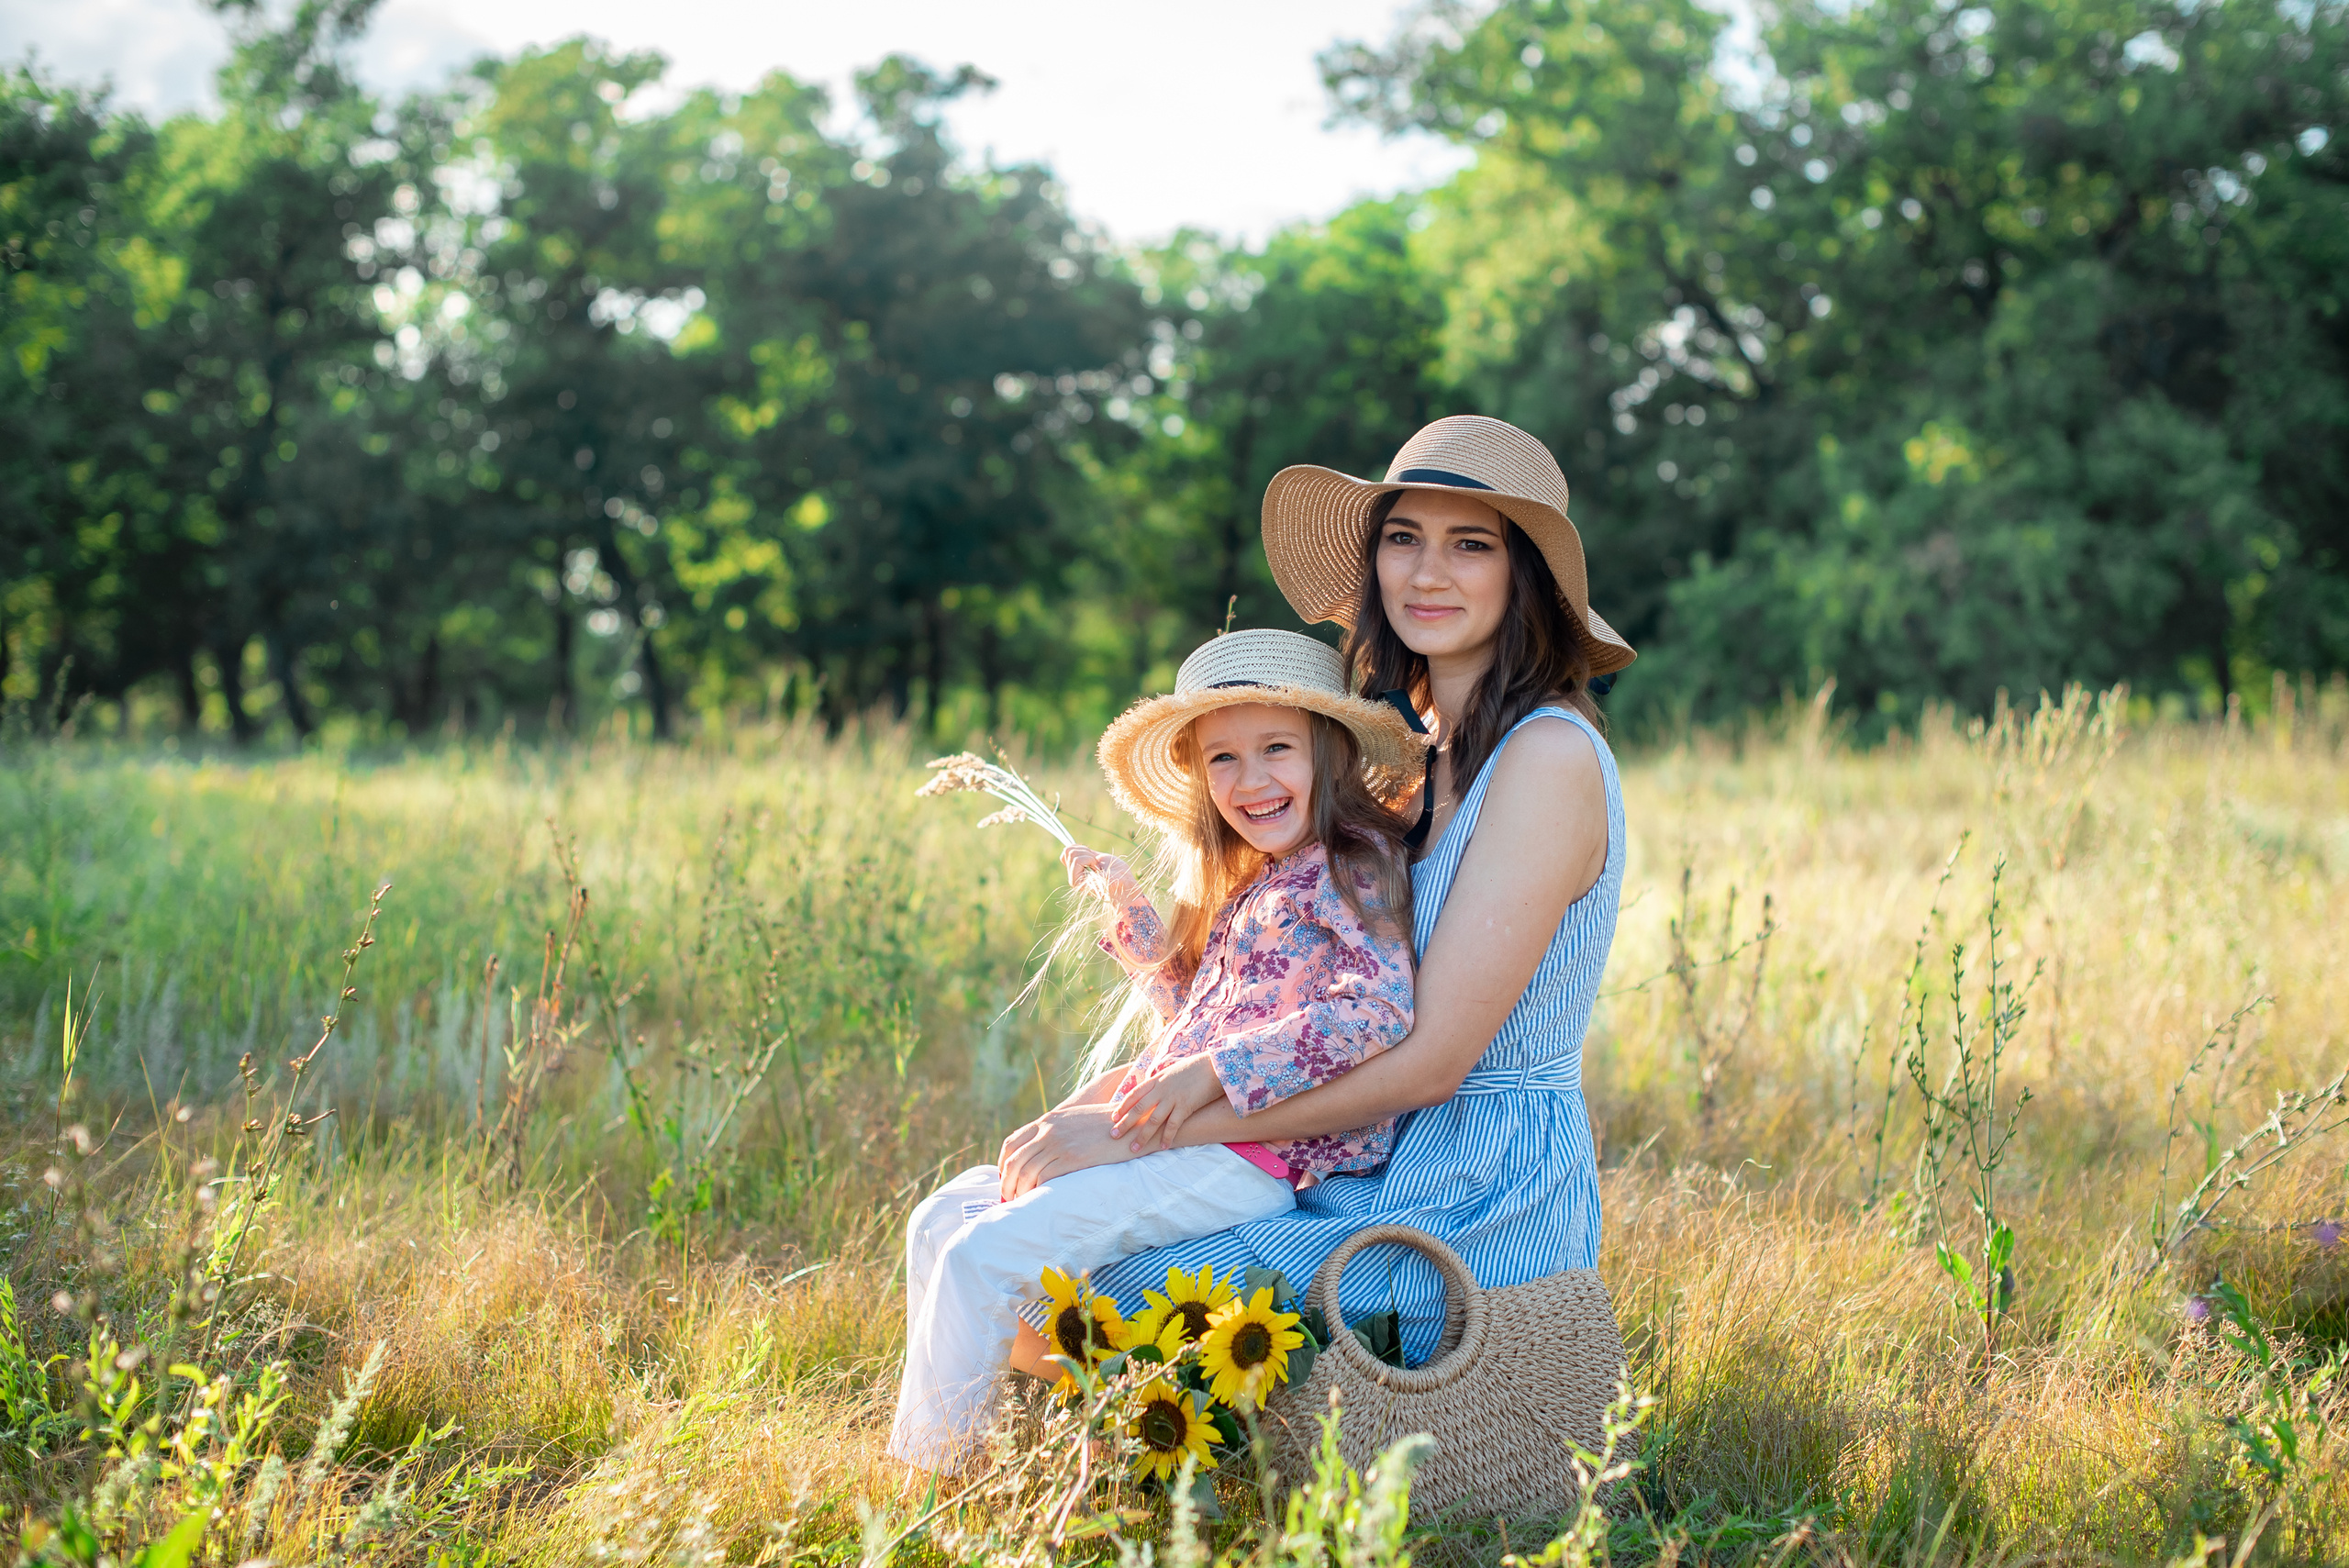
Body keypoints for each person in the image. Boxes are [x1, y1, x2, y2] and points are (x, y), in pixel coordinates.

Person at [995, 414, 1636, 1368]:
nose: (1427, 573)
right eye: (1403, 538)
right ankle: (1047, 1480)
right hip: (1354, 1149)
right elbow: (1279, 1004)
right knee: (1030, 1234)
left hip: (1474, 1184)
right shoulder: (1410, 759)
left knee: (1081, 1299)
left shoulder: (1545, 756)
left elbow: (1431, 1067)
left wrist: (1139, 1139)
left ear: (1524, 576)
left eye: (1471, 544)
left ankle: (1045, 1483)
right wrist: (1112, 1101)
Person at [888, 628, 1426, 1471]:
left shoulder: (1355, 862)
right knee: (940, 1219)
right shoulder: (1255, 878)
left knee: (980, 1254)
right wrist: (1134, 926)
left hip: (1250, 1154)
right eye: (1223, 759)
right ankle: (980, 1440)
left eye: (1276, 748)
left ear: (1329, 751)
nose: (1250, 780)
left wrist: (1214, 1070)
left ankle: (925, 1479)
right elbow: (1193, 1024)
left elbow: (1377, 1008)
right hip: (1200, 1136)